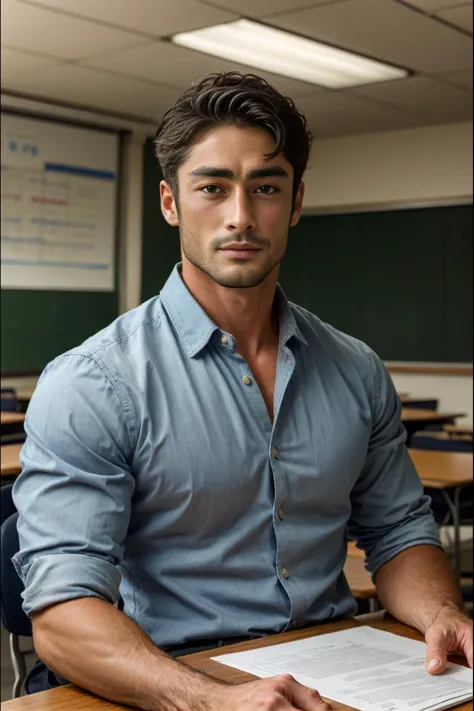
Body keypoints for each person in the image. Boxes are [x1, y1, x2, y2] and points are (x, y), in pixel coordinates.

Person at [13, 72, 472, 711]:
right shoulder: (94, 382)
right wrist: (210, 701)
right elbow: (62, 616)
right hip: (174, 680)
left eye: (265, 188)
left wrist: (442, 613)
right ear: (171, 203)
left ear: (296, 202)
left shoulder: (356, 369)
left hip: (340, 673)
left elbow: (398, 533)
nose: (240, 217)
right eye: (212, 188)